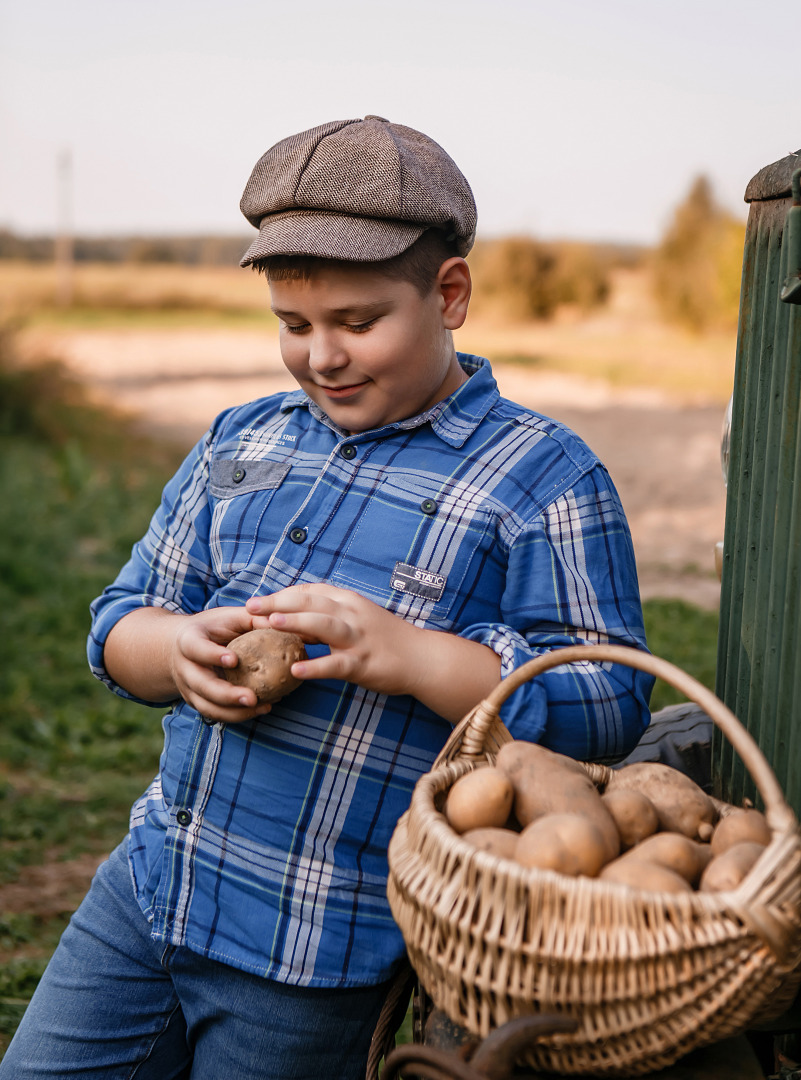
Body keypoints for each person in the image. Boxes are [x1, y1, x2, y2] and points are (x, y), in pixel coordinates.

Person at [0, 115, 653, 1080]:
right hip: (152, 890)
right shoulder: (240, 438)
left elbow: (609, 699)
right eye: (293, 326)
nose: (322, 357)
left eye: (358, 323)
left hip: (321, 942)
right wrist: (172, 650)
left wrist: (413, 656)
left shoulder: (543, 477)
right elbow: (122, 617)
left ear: (451, 293)